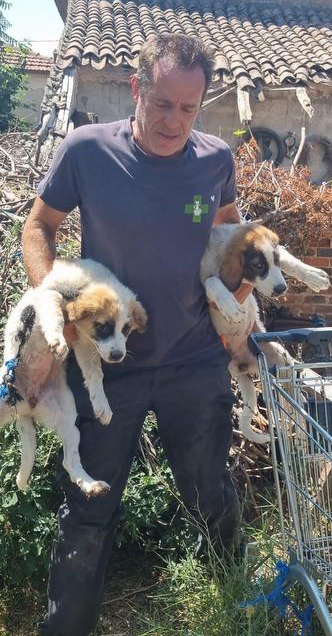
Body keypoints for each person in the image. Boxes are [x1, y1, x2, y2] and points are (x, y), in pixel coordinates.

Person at [22, 33, 242, 636]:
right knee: (89, 509)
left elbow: (229, 233)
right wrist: (52, 308)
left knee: (209, 493)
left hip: (193, 359)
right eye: (162, 104)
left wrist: (238, 307)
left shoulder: (216, 160)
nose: (174, 121)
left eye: (189, 108)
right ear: (136, 89)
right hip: (107, 368)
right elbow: (38, 227)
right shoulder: (87, 151)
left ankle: (235, 605)